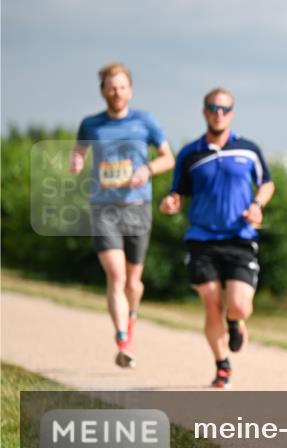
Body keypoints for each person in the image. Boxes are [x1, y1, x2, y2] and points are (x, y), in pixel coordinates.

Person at [159, 87, 274, 389]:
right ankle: (222, 365)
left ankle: (235, 322)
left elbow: (266, 184)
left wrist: (257, 205)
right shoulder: (189, 153)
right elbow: (177, 192)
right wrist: (171, 202)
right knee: (211, 302)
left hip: (239, 237)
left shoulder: (248, 149)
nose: (218, 113)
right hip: (202, 239)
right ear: (204, 112)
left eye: (224, 109)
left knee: (239, 305)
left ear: (232, 113)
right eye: (213, 108)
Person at [70, 62, 174, 369]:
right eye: (111, 87)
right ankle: (122, 339)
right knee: (115, 276)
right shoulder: (91, 124)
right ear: (103, 91)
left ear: (130, 90)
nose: (117, 92)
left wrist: (147, 169)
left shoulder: (146, 122)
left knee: (132, 282)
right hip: (104, 208)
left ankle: (131, 315)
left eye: (122, 87)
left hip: (137, 207)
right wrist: (76, 161)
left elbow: (169, 157)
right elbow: (79, 151)